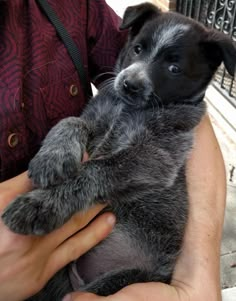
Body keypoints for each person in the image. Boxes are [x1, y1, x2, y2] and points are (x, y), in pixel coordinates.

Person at [0, 1, 226, 300]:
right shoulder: (120, 89)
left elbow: (154, 163)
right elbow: (87, 125)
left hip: (133, 259)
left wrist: (198, 277)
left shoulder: (70, 7)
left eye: (172, 67)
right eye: (138, 50)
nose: (135, 76)